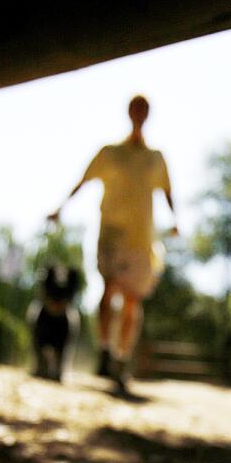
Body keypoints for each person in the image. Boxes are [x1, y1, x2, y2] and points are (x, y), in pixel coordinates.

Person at [48, 95, 175, 391]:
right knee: (109, 287)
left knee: (132, 299)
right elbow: (83, 180)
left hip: (141, 238)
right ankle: (105, 349)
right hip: (111, 234)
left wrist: (176, 219)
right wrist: (61, 206)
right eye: (136, 109)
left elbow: (169, 190)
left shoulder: (155, 158)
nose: (139, 114)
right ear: (129, 112)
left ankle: (122, 356)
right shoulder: (109, 153)